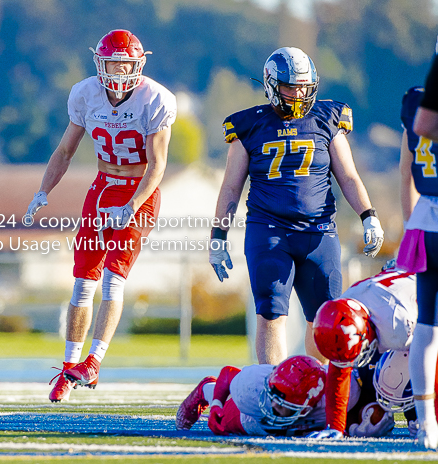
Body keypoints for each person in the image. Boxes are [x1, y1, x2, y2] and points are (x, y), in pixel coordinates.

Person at [24, 30, 176, 402]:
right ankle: (68, 367)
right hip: (102, 186)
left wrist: (132, 206)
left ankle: (94, 360)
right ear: (99, 63)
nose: (119, 70)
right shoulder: (85, 93)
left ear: (138, 64)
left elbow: (157, 166)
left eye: (126, 63)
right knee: (82, 281)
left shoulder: (155, 99)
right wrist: (43, 190)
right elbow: (64, 152)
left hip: (139, 190)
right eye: (112, 63)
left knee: (112, 278)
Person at [209, 47, 384, 365]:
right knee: (271, 313)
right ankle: (274, 391)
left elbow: (348, 175)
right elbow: (231, 187)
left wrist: (369, 216)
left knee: (325, 320)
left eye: (304, 85)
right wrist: (217, 237)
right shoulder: (249, 126)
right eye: (291, 86)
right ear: (272, 85)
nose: (299, 93)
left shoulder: (326, 118)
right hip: (269, 232)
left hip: (318, 232)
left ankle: (314, 393)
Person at [308, 264, 417, 439]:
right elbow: (339, 371)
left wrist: (429, 416)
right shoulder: (342, 311)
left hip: (420, 295)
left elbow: (430, 357)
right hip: (397, 288)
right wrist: (335, 427)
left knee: (400, 372)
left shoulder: (399, 323)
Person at [176, 354, 395, 438]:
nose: (275, 408)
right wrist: (215, 404)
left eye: (284, 405)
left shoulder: (343, 394)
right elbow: (229, 374)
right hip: (256, 420)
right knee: (223, 423)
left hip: (317, 417)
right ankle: (205, 389)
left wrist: (362, 424)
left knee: (373, 424)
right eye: (275, 399)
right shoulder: (254, 387)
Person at [399, 82, 438, 448]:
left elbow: (405, 172)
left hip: (425, 221)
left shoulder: (415, 101)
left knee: (427, 323)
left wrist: (409, 223)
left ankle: (427, 423)